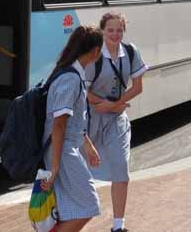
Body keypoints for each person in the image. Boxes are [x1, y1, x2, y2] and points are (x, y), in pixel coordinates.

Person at [84, 12, 148, 232]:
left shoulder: (130, 52)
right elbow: (82, 89)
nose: (115, 34)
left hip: (117, 120)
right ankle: (63, 217)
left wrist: (114, 105)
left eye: (119, 30)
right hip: (91, 120)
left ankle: (118, 226)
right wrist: (108, 105)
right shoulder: (94, 56)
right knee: (77, 169)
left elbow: (138, 87)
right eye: (110, 30)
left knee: (121, 169)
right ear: (102, 31)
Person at [42, 25, 104, 232]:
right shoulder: (71, 78)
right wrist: (56, 167)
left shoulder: (68, 73)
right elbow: (59, 124)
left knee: (70, 208)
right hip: (63, 151)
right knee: (88, 205)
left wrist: (87, 145)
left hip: (64, 148)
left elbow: (71, 121)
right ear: (95, 51)